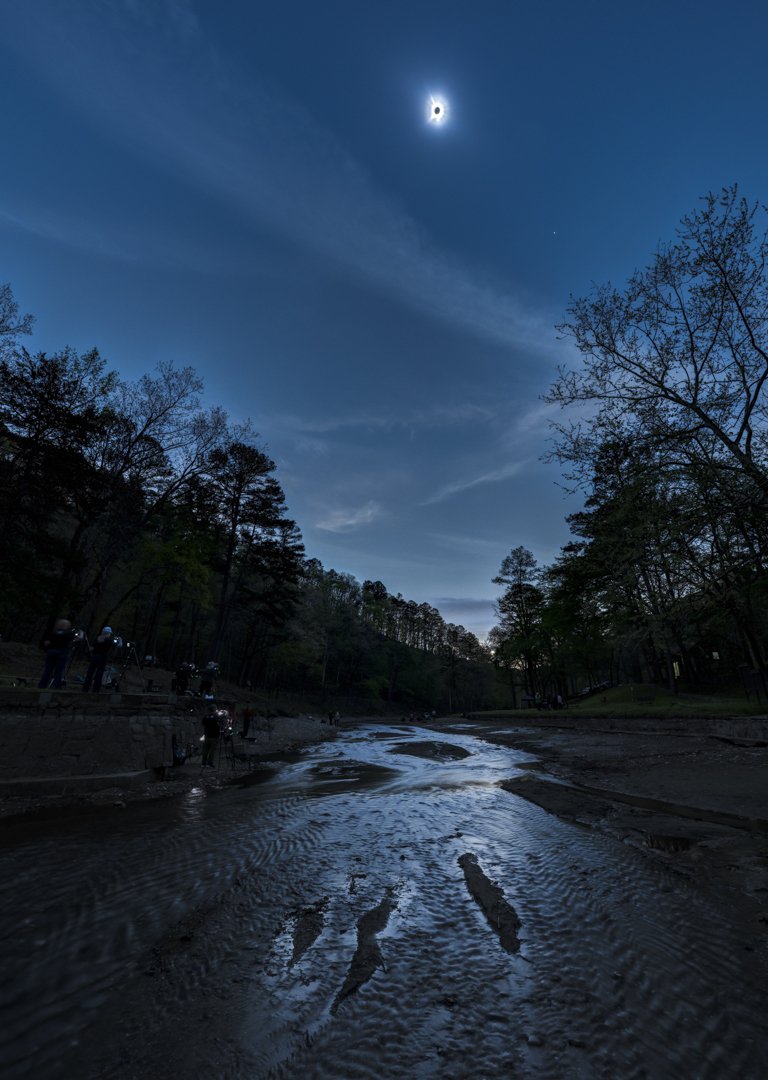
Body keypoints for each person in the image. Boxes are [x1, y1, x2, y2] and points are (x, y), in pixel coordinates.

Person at [38, 619, 78, 689]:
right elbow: (75, 640)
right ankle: (55, 687)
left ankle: (42, 686)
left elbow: (47, 642)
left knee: (48, 670)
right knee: (59, 671)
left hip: (52, 652)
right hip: (62, 653)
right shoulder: (69, 633)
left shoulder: (53, 633)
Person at [82, 626, 117, 693]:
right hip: (103, 658)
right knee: (99, 674)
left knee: (90, 673)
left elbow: (91, 648)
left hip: (94, 657)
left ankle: (85, 688)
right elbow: (114, 647)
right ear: (109, 633)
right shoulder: (109, 640)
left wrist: (91, 650)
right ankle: (95, 690)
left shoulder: (97, 638)